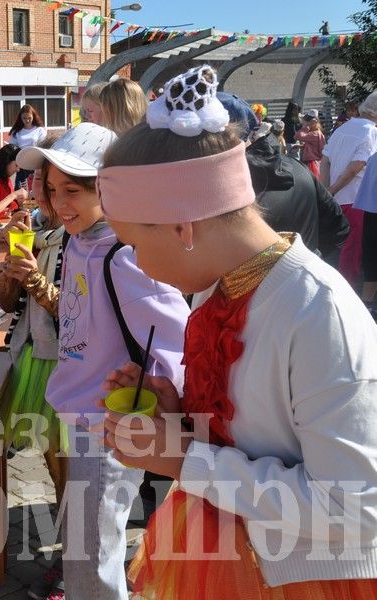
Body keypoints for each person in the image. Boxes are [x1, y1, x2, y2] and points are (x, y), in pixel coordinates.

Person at [99, 64, 377, 599]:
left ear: (183, 227)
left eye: (133, 244)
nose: (137, 263)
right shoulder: (219, 287)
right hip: (233, 556)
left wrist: (183, 458)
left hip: (304, 578)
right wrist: (180, 417)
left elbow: (355, 507)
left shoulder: (319, 314)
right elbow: (258, 433)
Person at [39, 123, 191, 600]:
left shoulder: (125, 256)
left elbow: (175, 335)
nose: (60, 203)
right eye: (51, 190)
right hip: (80, 413)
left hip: (111, 422)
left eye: (73, 191)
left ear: (109, 189)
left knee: (92, 551)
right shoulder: (77, 241)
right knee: (86, 543)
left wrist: (152, 394)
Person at [0, 134, 69, 600]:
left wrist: (37, 280)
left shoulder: (92, 240)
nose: (39, 187)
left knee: (68, 474)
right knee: (51, 467)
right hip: (33, 358)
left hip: (65, 367)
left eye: (50, 181)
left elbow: (82, 319)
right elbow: (7, 303)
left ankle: (68, 562)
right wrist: (13, 268)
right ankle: (64, 554)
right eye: (38, 179)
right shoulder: (42, 232)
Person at [245, 124, 348, 266]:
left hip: (265, 280)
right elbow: (338, 225)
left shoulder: (236, 190)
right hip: (309, 269)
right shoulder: (297, 167)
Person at [320, 90, 377, 286]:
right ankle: (349, 290)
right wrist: (333, 189)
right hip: (358, 200)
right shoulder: (372, 132)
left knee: (341, 247)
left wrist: (327, 189)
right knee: (354, 250)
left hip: (338, 199)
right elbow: (357, 166)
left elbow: (325, 160)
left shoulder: (342, 128)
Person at [354, 150, 377, 311]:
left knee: (370, 258)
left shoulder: (374, 158)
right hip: (372, 212)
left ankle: (367, 303)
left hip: (371, 212)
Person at [8, 104, 47, 189]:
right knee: (20, 190)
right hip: (21, 165)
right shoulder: (17, 131)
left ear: (33, 116)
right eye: (24, 118)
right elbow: (12, 147)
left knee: (35, 190)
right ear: (20, 118)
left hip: (35, 164)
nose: (27, 120)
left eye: (29, 118)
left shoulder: (39, 130)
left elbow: (42, 147)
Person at [295, 109, 326, 177]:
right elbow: (314, 145)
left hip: (311, 162)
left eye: (307, 122)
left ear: (313, 122)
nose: (305, 124)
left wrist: (305, 127)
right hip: (314, 161)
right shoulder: (317, 133)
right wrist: (302, 146)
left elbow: (297, 136)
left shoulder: (314, 134)